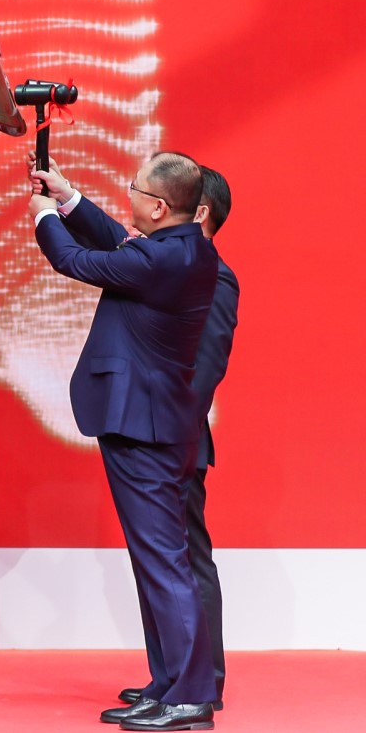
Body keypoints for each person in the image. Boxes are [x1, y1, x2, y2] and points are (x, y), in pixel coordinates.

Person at [28, 151, 219, 733]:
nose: (128, 195)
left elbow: (75, 260)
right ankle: (169, 684)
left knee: (163, 561)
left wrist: (44, 217)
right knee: (155, 560)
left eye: (134, 188)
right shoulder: (180, 249)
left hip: (145, 427)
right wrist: (67, 197)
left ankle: (189, 697)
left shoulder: (162, 258)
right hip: (151, 422)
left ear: (158, 207)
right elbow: (119, 244)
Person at [116, 166, 239, 713]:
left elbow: (205, 369)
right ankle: (169, 678)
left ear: (198, 212)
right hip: (150, 435)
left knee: (184, 561)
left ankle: (201, 683)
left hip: (173, 440)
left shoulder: (213, 276)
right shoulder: (164, 266)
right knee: (159, 563)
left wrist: (167, 433)